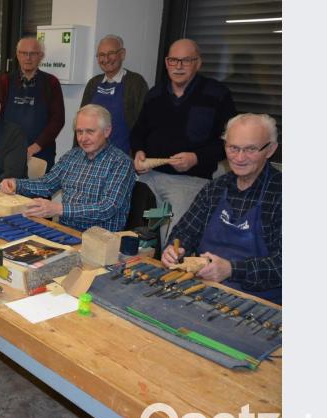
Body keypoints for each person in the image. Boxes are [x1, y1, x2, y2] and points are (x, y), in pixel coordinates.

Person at [161, 113, 281, 304]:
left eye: (250, 149)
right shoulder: (215, 188)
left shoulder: (280, 195)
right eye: (233, 148)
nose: (240, 158)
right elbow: (185, 230)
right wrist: (175, 248)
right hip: (204, 289)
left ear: (270, 149)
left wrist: (231, 269)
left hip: (256, 302)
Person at [130, 38, 237, 239]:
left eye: (186, 60)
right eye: (173, 60)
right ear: (166, 62)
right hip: (150, 178)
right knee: (140, 237)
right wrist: (139, 152)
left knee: (174, 239)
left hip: (189, 182)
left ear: (198, 63)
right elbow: (138, 133)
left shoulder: (217, 94)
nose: (178, 66)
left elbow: (230, 143)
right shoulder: (155, 94)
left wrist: (197, 157)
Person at [0, 104, 135, 232]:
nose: (83, 138)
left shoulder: (121, 162)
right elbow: (47, 183)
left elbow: (107, 208)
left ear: (107, 131)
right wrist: (16, 184)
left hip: (99, 241)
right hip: (65, 231)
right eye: (79, 132)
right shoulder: (72, 156)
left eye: (90, 132)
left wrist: (59, 209)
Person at [0, 36, 65, 171]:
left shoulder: (51, 83)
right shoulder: (6, 82)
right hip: (9, 151)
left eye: (33, 53)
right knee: (6, 190)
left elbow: (58, 120)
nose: (28, 58)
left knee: (38, 191)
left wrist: (35, 147)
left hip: (41, 152)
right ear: (17, 55)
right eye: (23, 53)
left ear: (41, 56)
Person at [80, 34, 149, 153]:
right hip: (92, 157)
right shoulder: (93, 83)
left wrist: (140, 153)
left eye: (111, 53)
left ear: (122, 54)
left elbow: (145, 124)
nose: (106, 59)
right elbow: (81, 122)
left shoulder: (136, 83)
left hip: (124, 158)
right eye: (101, 55)